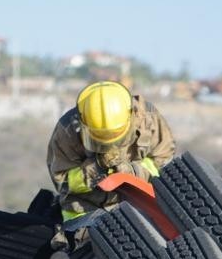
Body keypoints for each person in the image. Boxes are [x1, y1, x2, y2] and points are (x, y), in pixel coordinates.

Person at [46, 80, 177, 223]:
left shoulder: (148, 118)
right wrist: (96, 167)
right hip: (84, 212)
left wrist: (132, 172)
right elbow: (63, 182)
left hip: (140, 206)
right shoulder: (67, 131)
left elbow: (164, 164)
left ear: (131, 117)